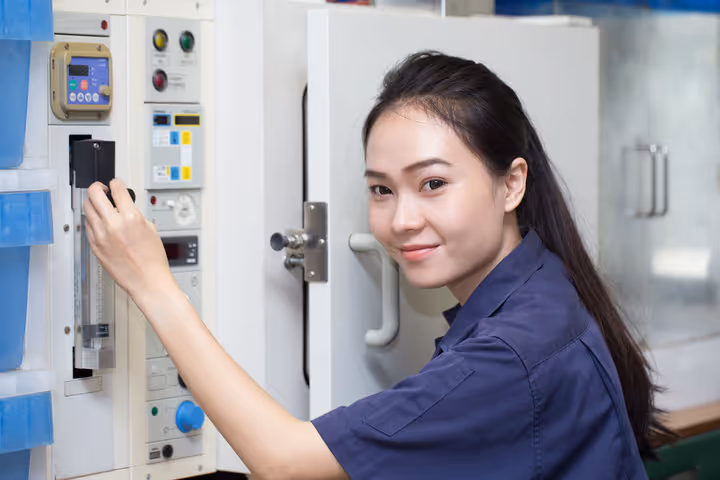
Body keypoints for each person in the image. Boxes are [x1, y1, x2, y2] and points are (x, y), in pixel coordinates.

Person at [83, 51, 671, 479]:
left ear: (511, 183)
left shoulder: (509, 356)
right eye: (382, 190)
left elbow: (284, 462)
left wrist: (152, 282)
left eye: (433, 183)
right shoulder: (544, 289)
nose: (401, 219)